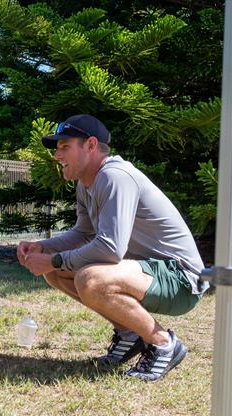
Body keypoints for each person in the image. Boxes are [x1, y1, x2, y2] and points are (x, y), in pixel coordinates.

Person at [19, 114, 208, 380]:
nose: (56, 155)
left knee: (89, 279)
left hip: (181, 280)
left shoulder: (114, 177)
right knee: (56, 271)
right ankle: (130, 335)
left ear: (91, 145)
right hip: (148, 272)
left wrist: (54, 259)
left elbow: (109, 249)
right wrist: (43, 246)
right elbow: (84, 233)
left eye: (64, 147)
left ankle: (164, 344)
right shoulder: (87, 184)